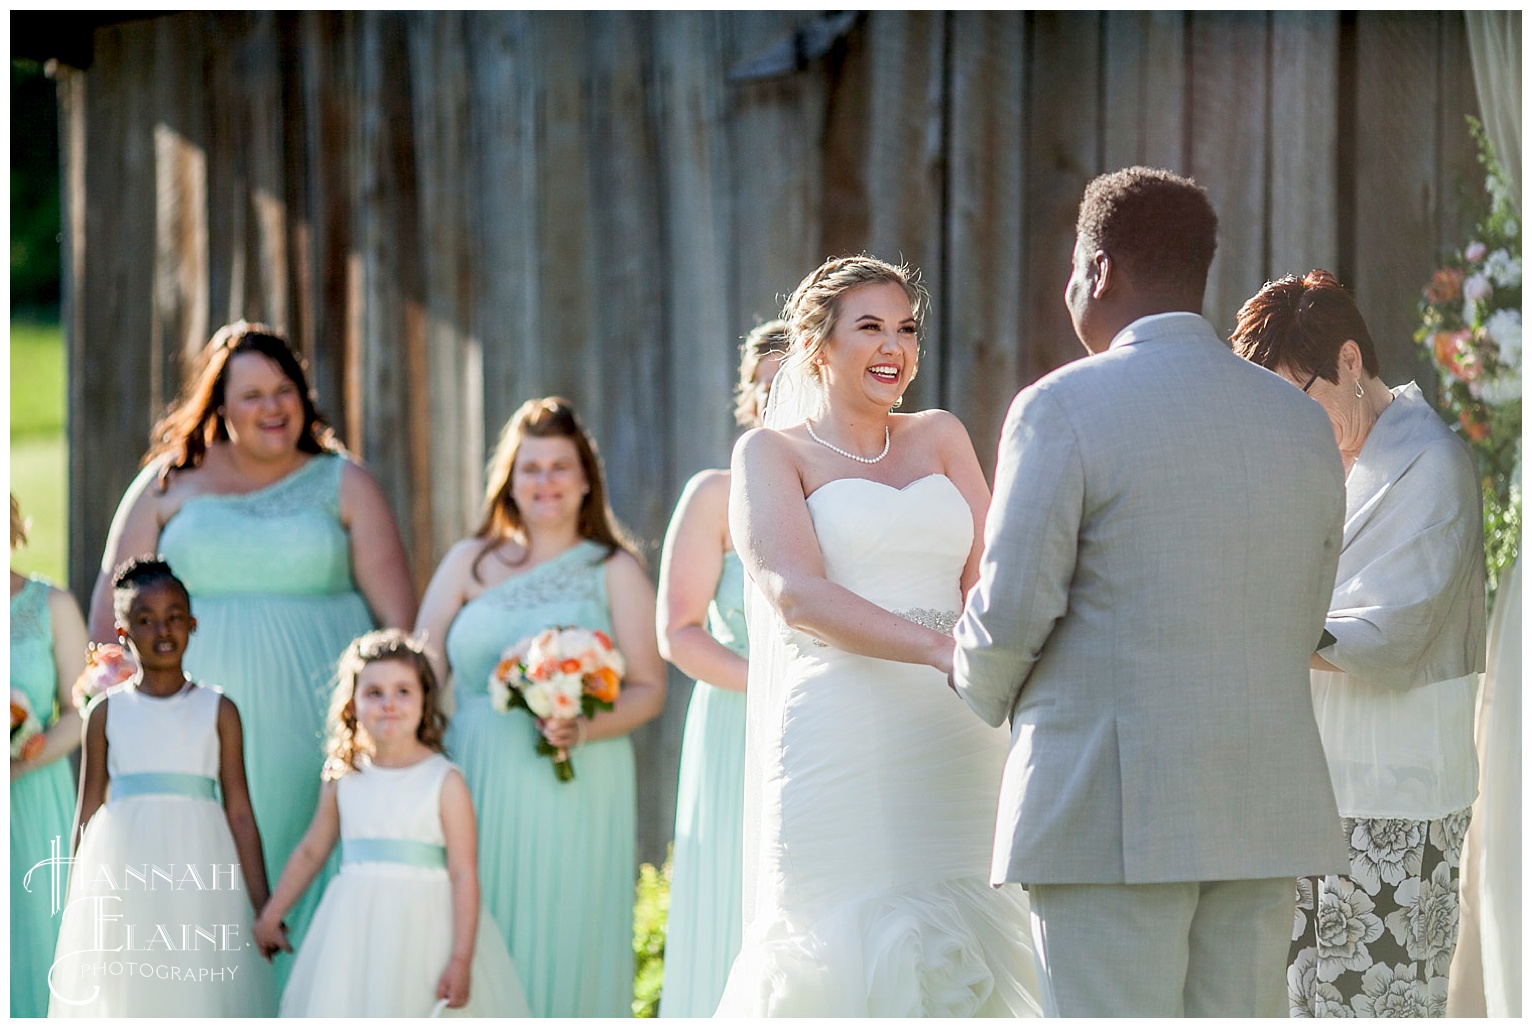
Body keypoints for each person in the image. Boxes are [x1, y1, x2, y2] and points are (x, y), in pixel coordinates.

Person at [951, 167, 1350, 1018]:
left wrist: (972, 689)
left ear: (1100, 270)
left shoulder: (1060, 407)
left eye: (1071, 269)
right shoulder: (1301, 421)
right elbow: (1306, 615)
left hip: (1111, 813)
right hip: (1260, 804)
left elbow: (1011, 610)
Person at [715, 254, 1041, 1017]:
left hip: (960, 733)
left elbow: (991, 574)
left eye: (906, 329)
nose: (895, 347)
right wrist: (937, 649)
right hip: (844, 733)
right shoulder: (771, 453)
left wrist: (982, 656)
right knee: (851, 950)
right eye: (870, 328)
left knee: (980, 950)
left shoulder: (940, 436)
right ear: (818, 346)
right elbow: (796, 593)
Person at [86, 321, 416, 981]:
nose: (273, 407)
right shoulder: (168, 484)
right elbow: (107, 625)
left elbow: (401, 625)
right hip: (194, 732)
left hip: (318, 730)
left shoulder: (343, 482)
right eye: (253, 395)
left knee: (307, 871)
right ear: (219, 407)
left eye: (285, 389)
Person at [1230, 270, 1486, 1018]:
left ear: (1349, 361)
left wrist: (1251, 619)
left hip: (1396, 801)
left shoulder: (1432, 463)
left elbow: (1389, 634)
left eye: (1297, 394)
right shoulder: (1310, 462)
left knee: (1381, 1003)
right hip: (1300, 791)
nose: (1289, 421)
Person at [414, 396, 666, 1018]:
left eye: (559, 467)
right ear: (509, 480)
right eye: (531, 468)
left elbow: (649, 688)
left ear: (586, 480)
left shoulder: (614, 570)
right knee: (481, 918)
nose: (545, 481)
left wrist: (582, 726)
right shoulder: (468, 563)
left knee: (565, 923)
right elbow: (422, 671)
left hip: (578, 776)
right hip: (475, 775)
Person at [254, 629, 530, 1016]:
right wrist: (272, 914)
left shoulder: (444, 779)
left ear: (424, 701)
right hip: (354, 929)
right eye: (374, 693)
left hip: (425, 931)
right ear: (351, 704)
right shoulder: (343, 776)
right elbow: (312, 849)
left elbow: (464, 872)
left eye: (403, 691)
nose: (389, 704)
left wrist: (462, 958)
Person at [49, 557, 275, 1016]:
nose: (162, 630)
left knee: (198, 980)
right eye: (145, 621)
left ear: (192, 623)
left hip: (201, 866)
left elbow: (241, 813)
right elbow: (89, 810)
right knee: (132, 983)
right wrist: (77, 897)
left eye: (174, 618)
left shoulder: (219, 709)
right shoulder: (106, 713)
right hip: (127, 870)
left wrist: (263, 906)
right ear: (123, 632)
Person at [655, 321, 785, 1018]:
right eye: (767, 389)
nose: (780, 400)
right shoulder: (715, 494)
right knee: (735, 889)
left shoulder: (845, 490)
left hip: (830, 718)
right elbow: (677, 631)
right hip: (737, 722)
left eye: (795, 384)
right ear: (748, 400)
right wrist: (766, 685)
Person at [9, 494, 87, 1017]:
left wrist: (18, 761)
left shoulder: (51, 604)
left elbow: (81, 710)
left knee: (37, 932)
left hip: (34, 797)